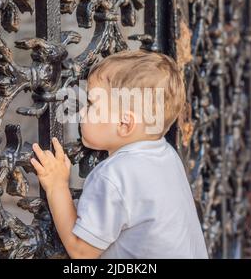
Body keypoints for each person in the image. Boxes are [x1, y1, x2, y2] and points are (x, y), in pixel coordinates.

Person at [30, 50, 208, 259]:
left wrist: (57, 186)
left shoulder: (114, 175)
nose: (82, 111)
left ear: (125, 124)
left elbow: (81, 251)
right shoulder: (168, 155)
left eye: (92, 104)